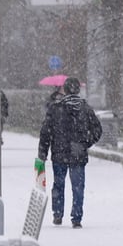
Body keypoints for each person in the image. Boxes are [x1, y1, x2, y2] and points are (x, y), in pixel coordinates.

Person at [38, 77, 102, 228]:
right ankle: (76, 217)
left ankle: (58, 214)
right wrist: (85, 143)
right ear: (78, 90)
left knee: (58, 185)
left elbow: (45, 132)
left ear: (65, 90)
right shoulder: (85, 108)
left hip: (59, 153)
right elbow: (97, 130)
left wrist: (43, 153)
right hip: (78, 154)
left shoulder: (55, 108)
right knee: (78, 187)